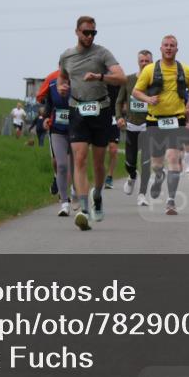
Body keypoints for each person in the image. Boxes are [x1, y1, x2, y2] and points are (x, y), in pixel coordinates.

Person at [57, 15, 125, 231]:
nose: (89, 36)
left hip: (100, 110)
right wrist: (61, 87)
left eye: (93, 32)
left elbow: (121, 77)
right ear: (77, 32)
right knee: (79, 158)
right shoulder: (67, 56)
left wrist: (99, 77)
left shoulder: (102, 53)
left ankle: (97, 195)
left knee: (97, 162)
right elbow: (61, 77)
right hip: (77, 110)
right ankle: (84, 209)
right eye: (86, 32)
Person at [131, 35, 189, 216]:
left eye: (172, 46)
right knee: (157, 164)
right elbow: (136, 91)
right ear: (160, 48)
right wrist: (148, 99)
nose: (169, 48)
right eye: (166, 45)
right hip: (155, 120)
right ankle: (159, 177)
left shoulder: (186, 70)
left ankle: (171, 201)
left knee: (173, 159)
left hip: (177, 119)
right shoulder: (150, 69)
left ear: (177, 49)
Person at [116, 49, 154, 206]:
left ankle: (142, 194)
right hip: (131, 125)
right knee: (130, 162)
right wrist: (119, 117)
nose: (144, 64)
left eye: (147, 61)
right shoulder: (129, 80)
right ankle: (132, 176)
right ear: (138, 62)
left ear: (152, 63)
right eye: (142, 61)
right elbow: (118, 102)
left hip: (149, 126)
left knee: (146, 162)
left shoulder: (156, 82)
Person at [38, 69, 75, 216]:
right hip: (57, 129)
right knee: (60, 165)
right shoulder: (52, 85)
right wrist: (46, 118)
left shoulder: (79, 85)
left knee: (73, 166)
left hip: (76, 130)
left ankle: (75, 190)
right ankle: (64, 202)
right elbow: (48, 106)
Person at [103, 81, 121, 190]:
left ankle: (109, 176)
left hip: (114, 117)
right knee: (100, 150)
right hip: (99, 118)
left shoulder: (117, 81)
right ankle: (100, 174)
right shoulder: (96, 80)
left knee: (113, 149)